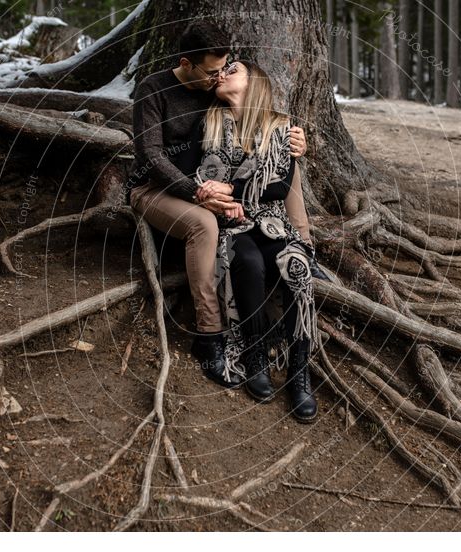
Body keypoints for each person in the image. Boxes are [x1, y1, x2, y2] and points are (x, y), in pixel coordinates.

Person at [128, 22, 320, 390]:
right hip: (155, 189)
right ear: (187, 63)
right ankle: (210, 336)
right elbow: (150, 155)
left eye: (227, 67)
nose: (221, 76)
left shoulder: (212, 91)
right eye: (215, 71)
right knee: (205, 224)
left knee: (276, 168)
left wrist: (294, 140)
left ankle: (304, 246)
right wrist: (201, 192)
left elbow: (258, 128)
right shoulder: (154, 89)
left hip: (208, 191)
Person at [191, 60, 320, 423]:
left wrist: (231, 188)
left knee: (296, 267)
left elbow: (279, 184)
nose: (223, 74)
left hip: (274, 223)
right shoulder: (212, 123)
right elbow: (204, 175)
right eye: (222, 69)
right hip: (230, 224)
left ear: (254, 83)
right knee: (247, 261)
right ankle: (254, 354)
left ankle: (299, 371)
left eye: (233, 69)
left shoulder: (282, 127)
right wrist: (222, 200)